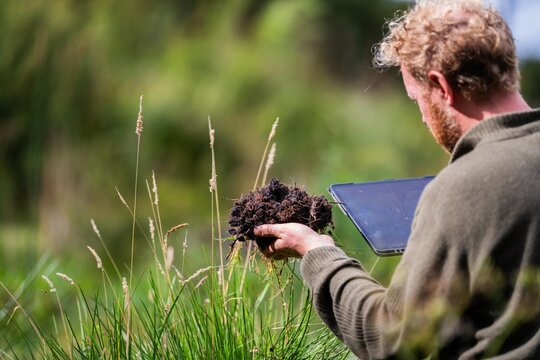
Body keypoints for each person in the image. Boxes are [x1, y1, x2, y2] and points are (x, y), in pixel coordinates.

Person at [254, 1, 540, 359]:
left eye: (416, 98)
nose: (422, 116)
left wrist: (318, 253)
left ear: (441, 87)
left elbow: (395, 340)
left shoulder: (464, 189)